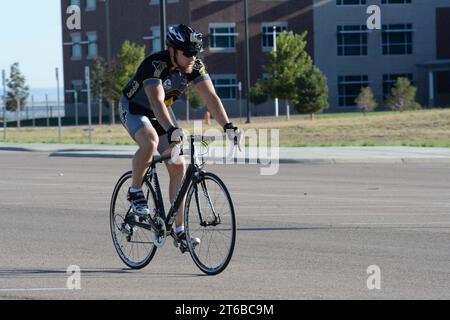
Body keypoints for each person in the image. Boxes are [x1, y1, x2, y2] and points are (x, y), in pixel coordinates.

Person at [118, 24, 241, 250]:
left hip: (161, 112)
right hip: (134, 109)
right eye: (188, 53)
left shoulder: (194, 66)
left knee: (178, 166)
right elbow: (155, 102)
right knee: (150, 141)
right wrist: (173, 129)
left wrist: (228, 126)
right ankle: (135, 190)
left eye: (196, 52)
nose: (193, 58)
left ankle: (180, 231)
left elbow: (211, 97)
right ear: (173, 50)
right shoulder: (155, 65)